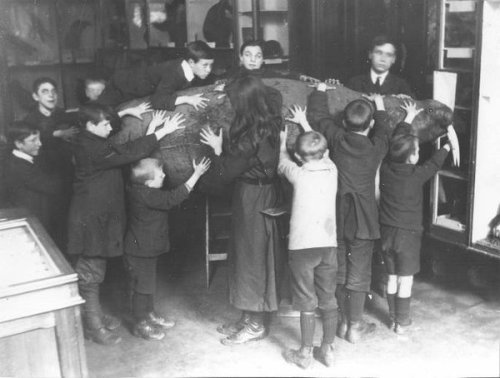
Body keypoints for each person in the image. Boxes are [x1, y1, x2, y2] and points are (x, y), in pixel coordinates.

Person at [67, 104, 185, 345]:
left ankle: (96, 317)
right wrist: (160, 133)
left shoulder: (93, 141)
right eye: (105, 124)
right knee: (91, 275)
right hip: (92, 222)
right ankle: (94, 327)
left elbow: (123, 148)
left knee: (95, 272)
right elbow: (126, 155)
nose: (111, 128)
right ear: (90, 126)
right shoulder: (90, 148)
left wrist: (150, 131)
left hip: (100, 219)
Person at [199, 74, 283, 345]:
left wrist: (216, 149)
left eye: (235, 101)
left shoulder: (251, 136)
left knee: (251, 259)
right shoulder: (269, 122)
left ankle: (256, 325)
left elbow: (225, 173)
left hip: (252, 197)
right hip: (260, 193)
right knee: (250, 255)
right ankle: (250, 317)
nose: (232, 106)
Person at [307, 84, 392, 344]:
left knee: (340, 270)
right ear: (368, 127)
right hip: (364, 220)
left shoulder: (337, 139)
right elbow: (386, 131)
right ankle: (355, 326)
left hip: (337, 216)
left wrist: (320, 90)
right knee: (359, 273)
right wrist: (379, 107)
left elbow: (319, 117)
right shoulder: (376, 146)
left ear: (344, 121)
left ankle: (342, 322)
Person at [379, 102, 452, 334]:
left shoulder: (386, 169)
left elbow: (398, 141)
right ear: (412, 158)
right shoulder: (417, 174)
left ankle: (391, 317)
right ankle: (402, 322)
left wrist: (408, 118)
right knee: (405, 280)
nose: (419, 155)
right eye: (417, 152)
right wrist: (448, 146)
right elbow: (435, 163)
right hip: (408, 238)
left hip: (386, 234)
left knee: (391, 277)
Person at [277, 107, 338, 369]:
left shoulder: (298, 174)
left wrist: (282, 142)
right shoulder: (332, 170)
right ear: (325, 154)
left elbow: (281, 161)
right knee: (329, 298)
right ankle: (328, 349)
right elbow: (322, 152)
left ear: (299, 157)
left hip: (302, 248)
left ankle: (304, 353)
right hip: (328, 245)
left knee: (306, 299)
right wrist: (305, 122)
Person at [125, 156, 210, 340]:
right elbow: (173, 197)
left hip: (143, 248)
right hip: (141, 250)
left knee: (147, 284)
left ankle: (148, 314)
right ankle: (141, 324)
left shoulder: (140, 189)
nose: (164, 174)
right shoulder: (147, 195)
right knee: (142, 287)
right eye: (159, 173)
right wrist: (197, 174)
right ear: (148, 183)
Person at [23, 77, 78, 249]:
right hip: (44, 179)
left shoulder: (63, 115)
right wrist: (57, 134)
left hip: (68, 175)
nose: (51, 95)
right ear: (35, 96)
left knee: (68, 223)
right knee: (49, 225)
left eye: (54, 91)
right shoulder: (30, 120)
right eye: (45, 91)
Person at [92, 41, 214, 111]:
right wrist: (188, 99)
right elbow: (158, 101)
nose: (209, 70)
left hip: (132, 81)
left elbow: (207, 78)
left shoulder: (189, 68)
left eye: (211, 65)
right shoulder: (175, 73)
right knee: (98, 114)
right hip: (122, 86)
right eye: (205, 65)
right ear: (191, 62)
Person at [4, 122, 62, 235]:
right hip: (33, 222)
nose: (39, 144)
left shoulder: (23, 160)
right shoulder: (19, 167)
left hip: (38, 218)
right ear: (18, 144)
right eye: (33, 140)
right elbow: (53, 187)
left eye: (39, 139)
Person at [347, 35, 414, 98]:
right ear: (370, 54)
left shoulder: (401, 86)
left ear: (393, 59)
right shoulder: (355, 83)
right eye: (379, 53)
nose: (383, 59)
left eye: (389, 55)